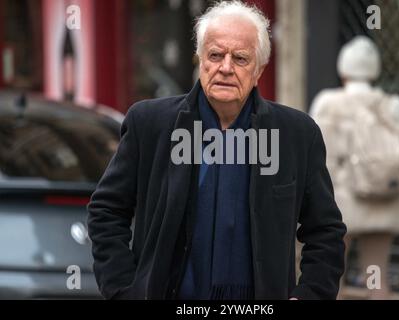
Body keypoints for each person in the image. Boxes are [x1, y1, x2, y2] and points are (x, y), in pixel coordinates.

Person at [87, 0, 346, 300]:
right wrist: (124, 291)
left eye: (240, 58)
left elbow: (326, 231)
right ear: (200, 59)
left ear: (259, 69)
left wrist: (309, 294)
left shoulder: (296, 135)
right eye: (215, 55)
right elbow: (106, 211)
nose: (225, 68)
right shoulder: (150, 124)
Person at [310, 36, 399, 300]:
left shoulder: (329, 103)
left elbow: (316, 156)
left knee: (331, 277)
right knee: (377, 279)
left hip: (341, 204)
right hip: (385, 199)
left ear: (343, 68)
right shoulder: (393, 105)